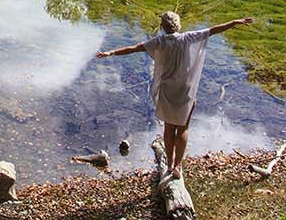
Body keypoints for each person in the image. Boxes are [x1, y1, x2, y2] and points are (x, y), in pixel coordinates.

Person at [95, 10, 255, 182]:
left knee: (169, 128)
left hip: (166, 90)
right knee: (183, 127)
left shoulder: (159, 41)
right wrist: (234, 22)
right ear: (178, 25)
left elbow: (134, 48)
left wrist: (110, 52)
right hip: (185, 90)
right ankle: (177, 166)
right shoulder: (188, 38)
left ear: (162, 27)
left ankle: (169, 164)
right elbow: (214, 30)